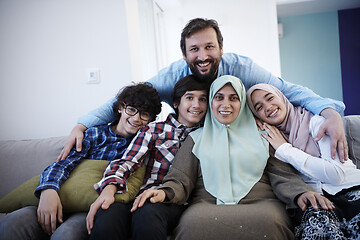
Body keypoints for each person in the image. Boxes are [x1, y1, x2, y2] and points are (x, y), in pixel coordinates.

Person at [58, 18, 348, 164]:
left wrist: (330, 111)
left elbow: (287, 90)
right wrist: (83, 124)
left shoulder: (242, 69)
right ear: (184, 55)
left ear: (221, 48)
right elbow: (132, 98)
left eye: (209, 47)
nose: (202, 55)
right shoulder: (171, 76)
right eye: (194, 49)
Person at [132, 75, 334, 239]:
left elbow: (283, 175)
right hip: (206, 205)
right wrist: (164, 192)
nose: (225, 104)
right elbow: (180, 179)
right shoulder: (195, 138)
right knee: (192, 224)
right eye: (219, 97)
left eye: (233, 98)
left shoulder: (264, 134)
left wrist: (301, 193)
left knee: (270, 223)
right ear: (211, 102)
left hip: (262, 204)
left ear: (242, 102)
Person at [0, 83, 162, 240]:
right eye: (131, 110)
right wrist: (49, 190)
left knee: (67, 234)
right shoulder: (95, 134)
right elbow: (63, 163)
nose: (136, 118)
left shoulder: (144, 145)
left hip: (89, 207)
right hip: (60, 195)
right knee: (12, 223)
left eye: (144, 114)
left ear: (151, 119)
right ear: (120, 108)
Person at [85, 75, 209, 240]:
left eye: (202, 99)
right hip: (139, 194)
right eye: (189, 98)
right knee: (108, 214)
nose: (196, 105)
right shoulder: (155, 130)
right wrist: (109, 189)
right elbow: (129, 161)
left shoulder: (208, 135)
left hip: (171, 200)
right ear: (176, 103)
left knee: (148, 212)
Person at [247, 83, 360, 239]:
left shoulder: (316, 122)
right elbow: (282, 177)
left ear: (282, 97)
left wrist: (285, 149)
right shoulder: (271, 139)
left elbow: (337, 175)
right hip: (318, 200)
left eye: (270, 98)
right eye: (259, 107)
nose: (267, 107)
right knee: (317, 227)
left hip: (351, 188)